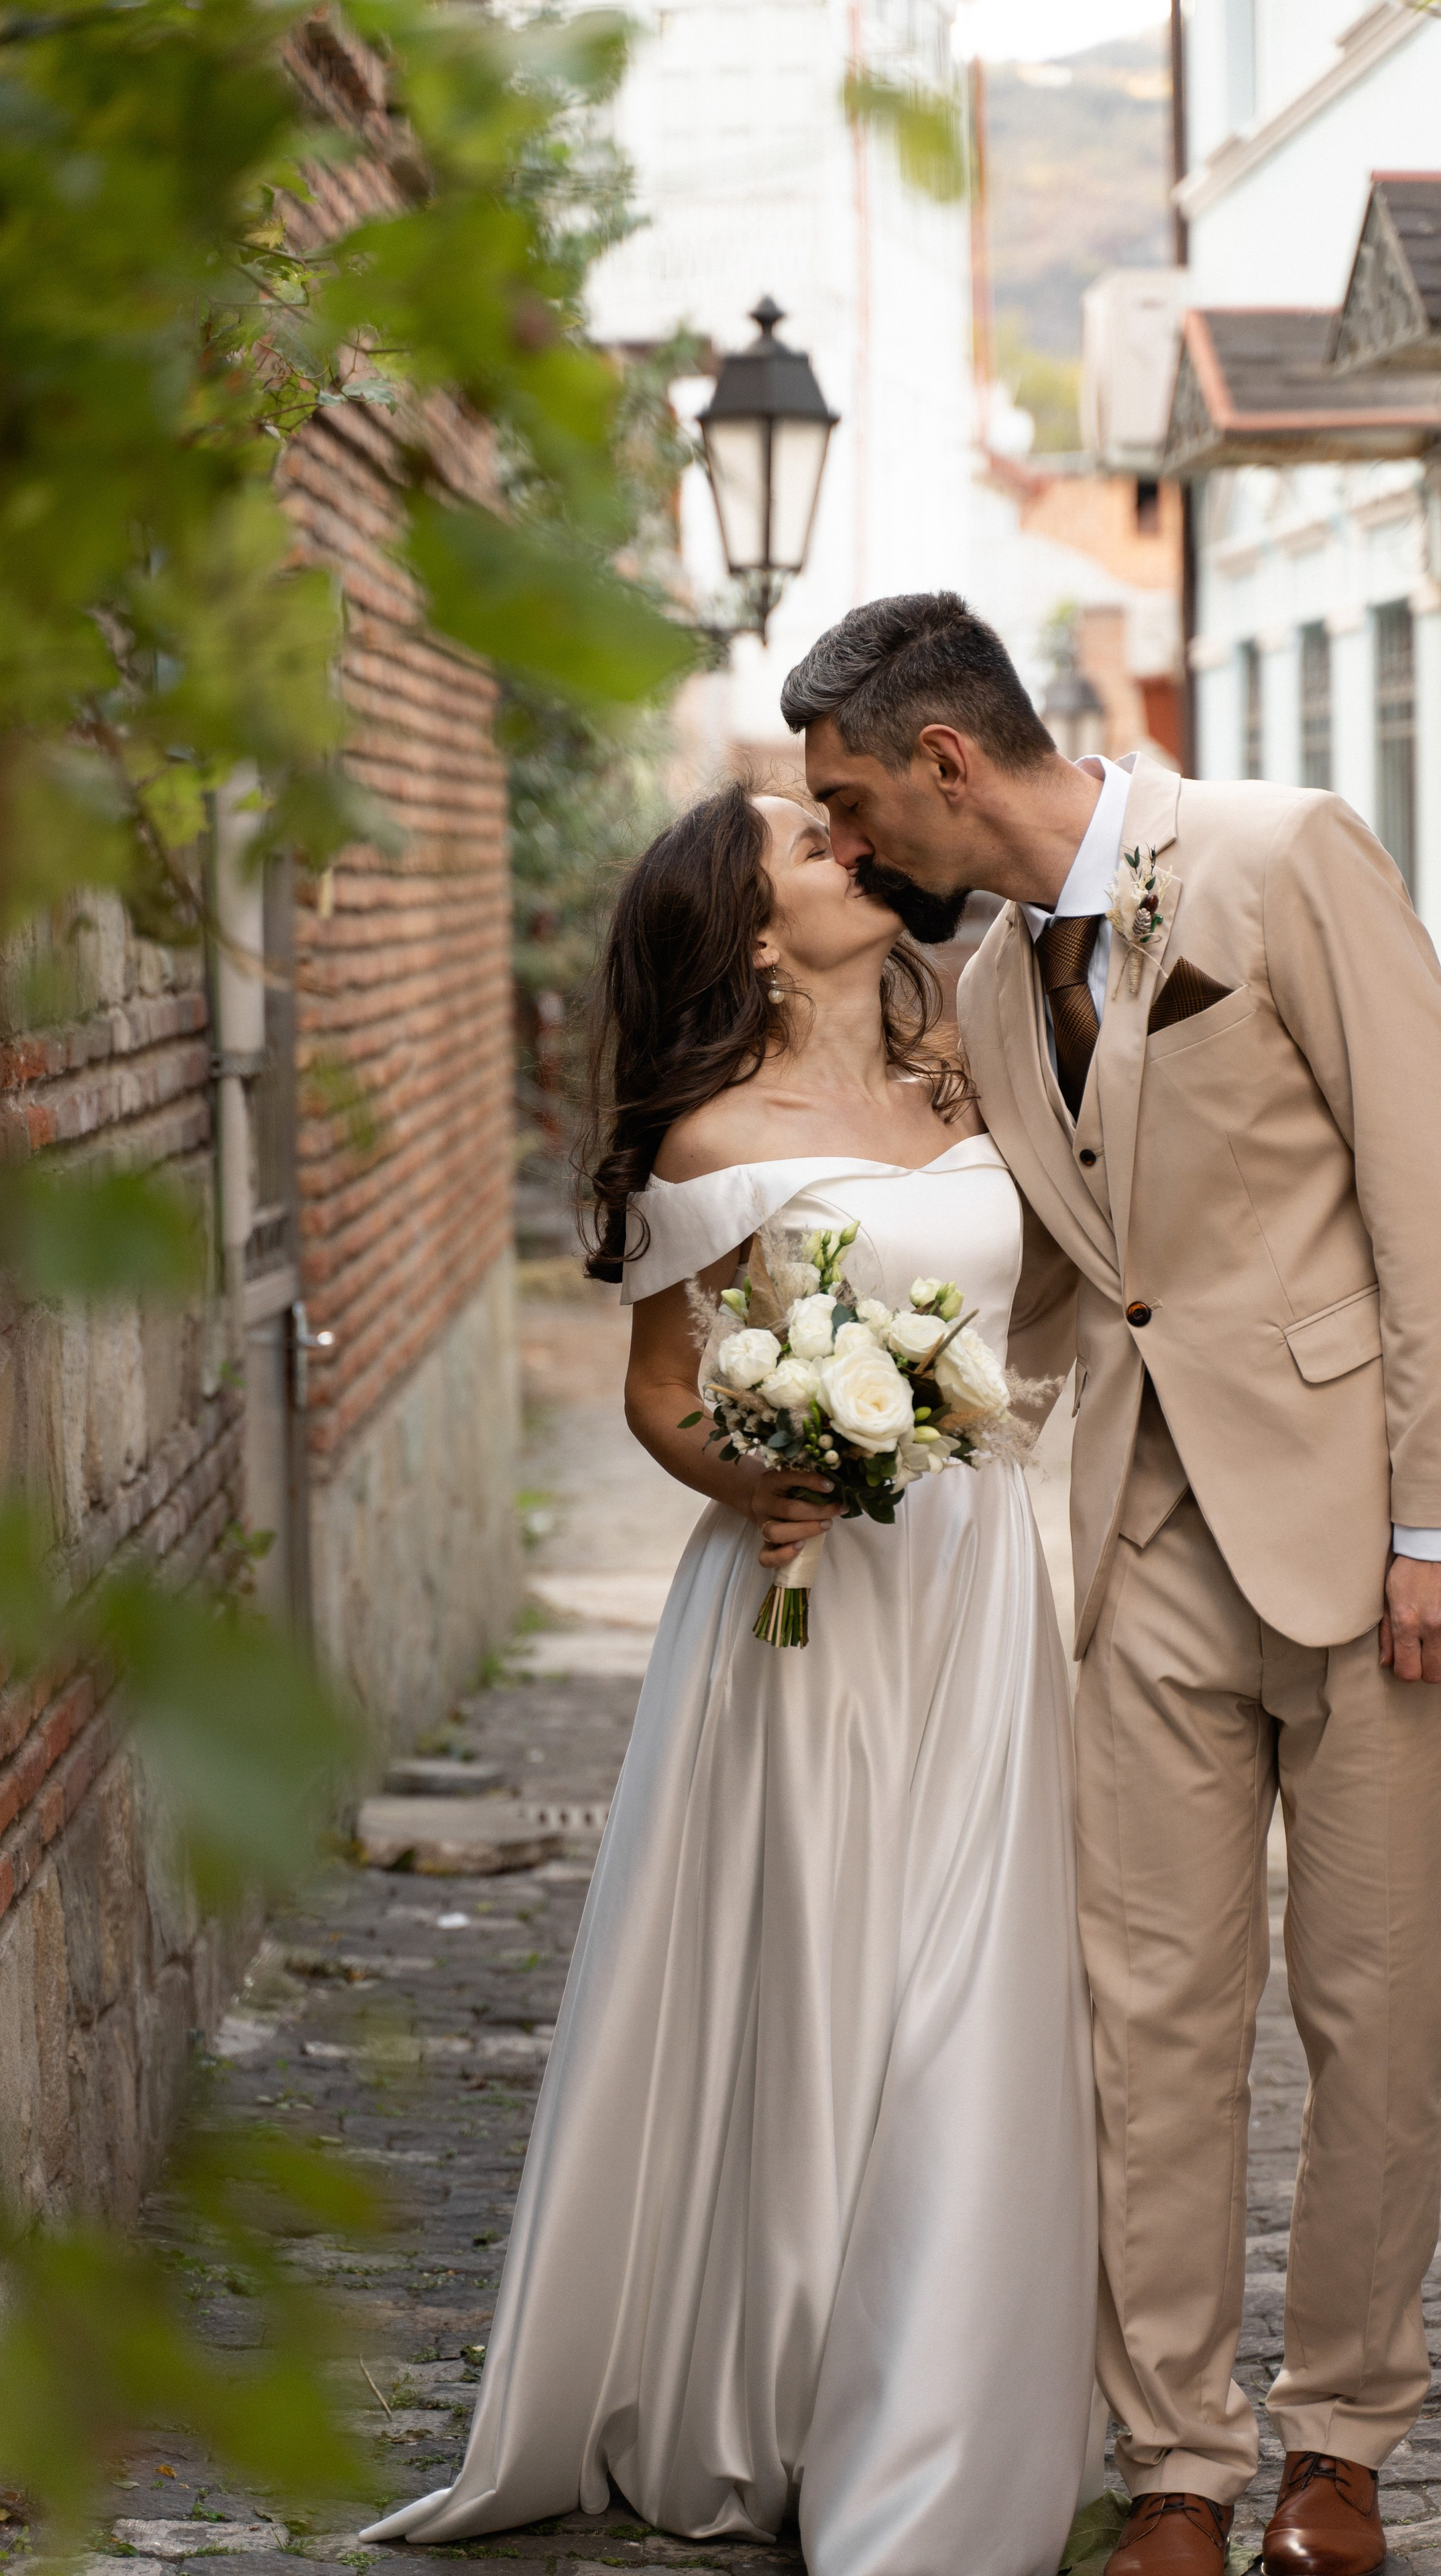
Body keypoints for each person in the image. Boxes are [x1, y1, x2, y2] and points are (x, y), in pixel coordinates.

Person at [779, 595, 1441, 2576]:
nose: (839, 845)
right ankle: (1176, 2456)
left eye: (848, 801)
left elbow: (1436, 1170)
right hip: (1146, 1533)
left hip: (1373, 1531)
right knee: (1146, 2011)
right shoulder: (987, 990)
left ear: (946, 763)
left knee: (1370, 2002)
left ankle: (1339, 2443)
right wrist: (879, 1416)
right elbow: (1081, 1277)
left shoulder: (1275, 850)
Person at [361, 781, 1097, 2576]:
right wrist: (770, 1470)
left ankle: (943, 2405)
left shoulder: (975, 1070)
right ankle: (789, 2384)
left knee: (969, 1983)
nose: (846, 831)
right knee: (830, 1973)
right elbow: (661, 1390)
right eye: (803, 833)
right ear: (756, 926)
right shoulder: (705, 1139)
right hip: (809, 1604)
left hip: (980, 1585)